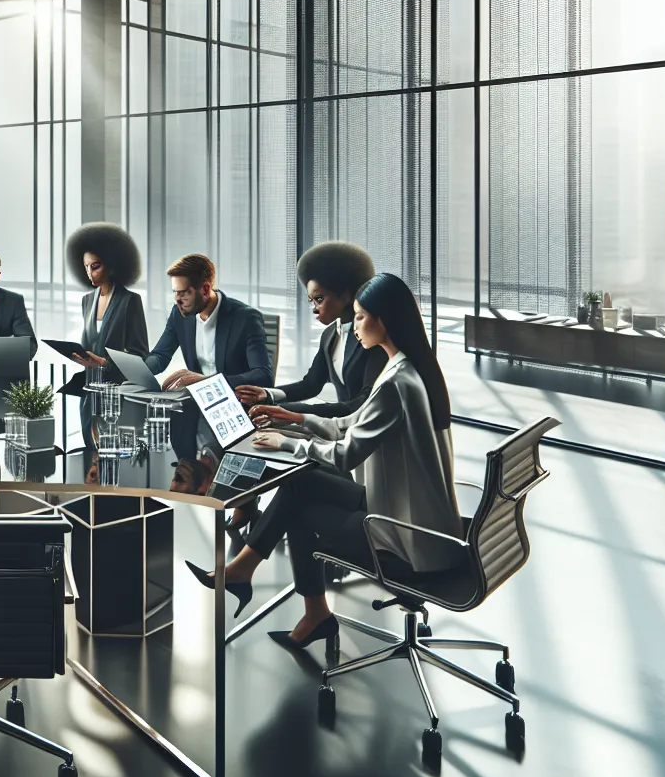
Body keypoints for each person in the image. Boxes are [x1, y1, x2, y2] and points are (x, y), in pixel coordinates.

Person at [183, 273, 459, 651]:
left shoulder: (395, 382)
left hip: (405, 535)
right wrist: (296, 420)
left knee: (298, 505)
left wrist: (287, 444)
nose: (355, 325)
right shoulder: (407, 369)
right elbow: (352, 423)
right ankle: (262, 583)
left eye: (361, 317)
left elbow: (347, 453)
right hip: (409, 512)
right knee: (300, 485)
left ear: (385, 320)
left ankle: (274, 590)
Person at [143, 253, 272, 456]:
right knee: (163, 432)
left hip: (233, 409)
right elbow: (160, 355)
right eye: (175, 292)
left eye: (184, 292)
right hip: (197, 408)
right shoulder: (180, 314)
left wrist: (207, 381)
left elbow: (264, 375)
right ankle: (184, 473)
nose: (178, 299)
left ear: (204, 289)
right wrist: (136, 371)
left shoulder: (245, 318)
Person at [235, 241, 383, 417]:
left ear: (345, 295)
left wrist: (290, 412)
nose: (314, 308)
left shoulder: (373, 337)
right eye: (311, 300)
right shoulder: (330, 335)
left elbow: (363, 403)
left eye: (319, 299)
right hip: (343, 429)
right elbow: (310, 385)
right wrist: (267, 394)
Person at [64, 222, 148, 381]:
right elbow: (88, 346)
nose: (90, 273)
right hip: (90, 386)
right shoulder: (87, 300)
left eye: (95, 266)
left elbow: (141, 356)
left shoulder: (130, 301)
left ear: (110, 264)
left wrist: (106, 363)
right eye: (86, 267)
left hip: (117, 388)